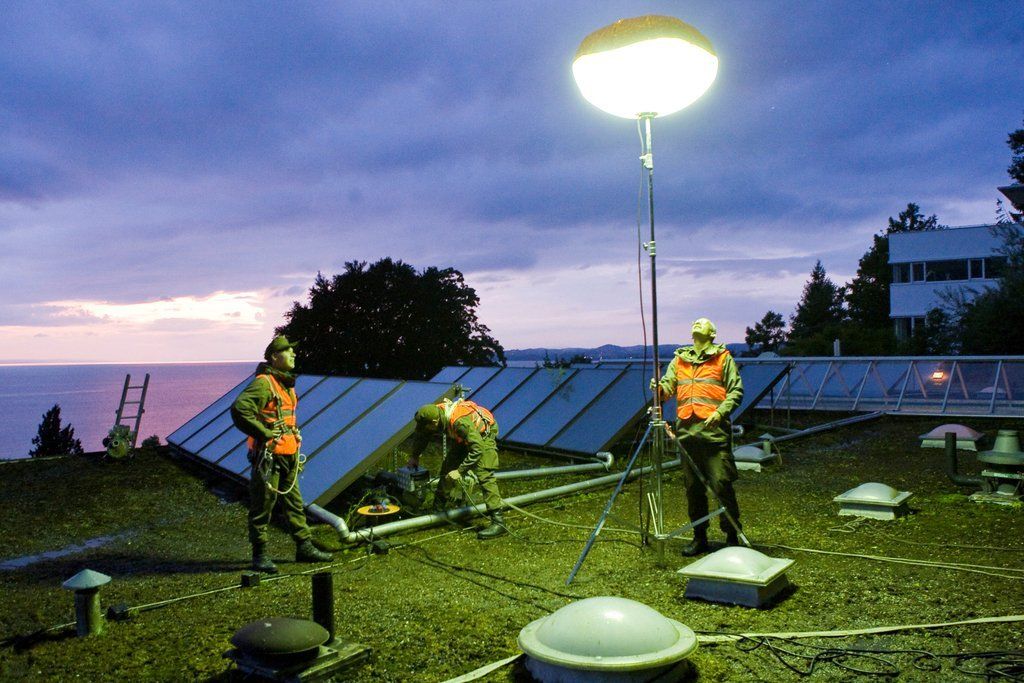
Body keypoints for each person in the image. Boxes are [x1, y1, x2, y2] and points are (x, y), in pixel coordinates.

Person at [231, 335, 332, 573]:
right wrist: (265, 433)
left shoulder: (285, 383)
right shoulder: (264, 383)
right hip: (269, 457)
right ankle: (259, 555)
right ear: (275, 357)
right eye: (288, 351)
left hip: (288, 453)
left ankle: (304, 547)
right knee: (263, 505)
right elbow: (240, 409)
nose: (294, 354)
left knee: (294, 503)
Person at [654, 317, 744, 556]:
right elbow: (667, 389)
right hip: (687, 435)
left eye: (703, 323)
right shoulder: (680, 359)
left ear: (712, 333)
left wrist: (720, 412)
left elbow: (736, 391)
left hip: (714, 435)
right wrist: (659, 389)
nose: (698, 323)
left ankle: (732, 535)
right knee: (693, 489)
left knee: (721, 485)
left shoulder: (723, 358)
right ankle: (699, 536)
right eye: (695, 322)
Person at [407, 398, 508, 540]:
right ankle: (437, 508)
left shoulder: (459, 422)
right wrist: (414, 456)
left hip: (483, 435)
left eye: (427, 427)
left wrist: (460, 471)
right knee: (448, 466)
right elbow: (423, 436)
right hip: (466, 437)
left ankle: (498, 522)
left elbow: (477, 448)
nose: (427, 430)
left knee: (484, 474)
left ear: (434, 422)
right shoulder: (434, 414)